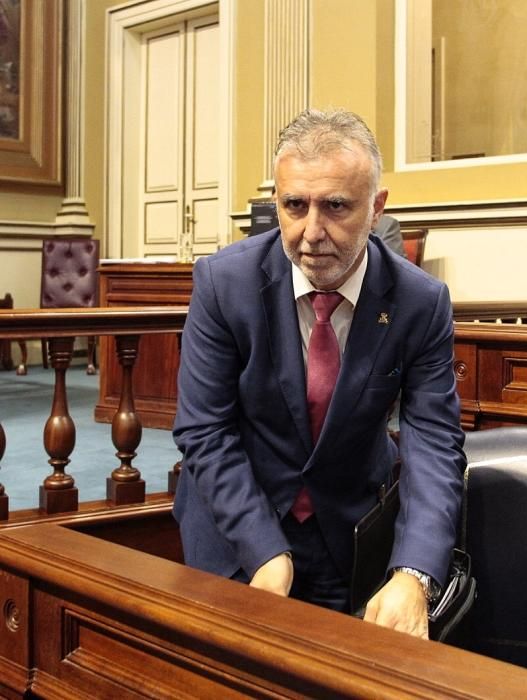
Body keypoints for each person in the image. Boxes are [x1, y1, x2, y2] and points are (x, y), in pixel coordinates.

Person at [172, 107, 465, 640]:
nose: (311, 232)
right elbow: (204, 430)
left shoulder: (421, 302)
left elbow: (435, 443)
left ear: (376, 208)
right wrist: (262, 548)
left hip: (348, 533)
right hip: (236, 521)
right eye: (294, 206)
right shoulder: (224, 284)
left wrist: (415, 573)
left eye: (335, 207)